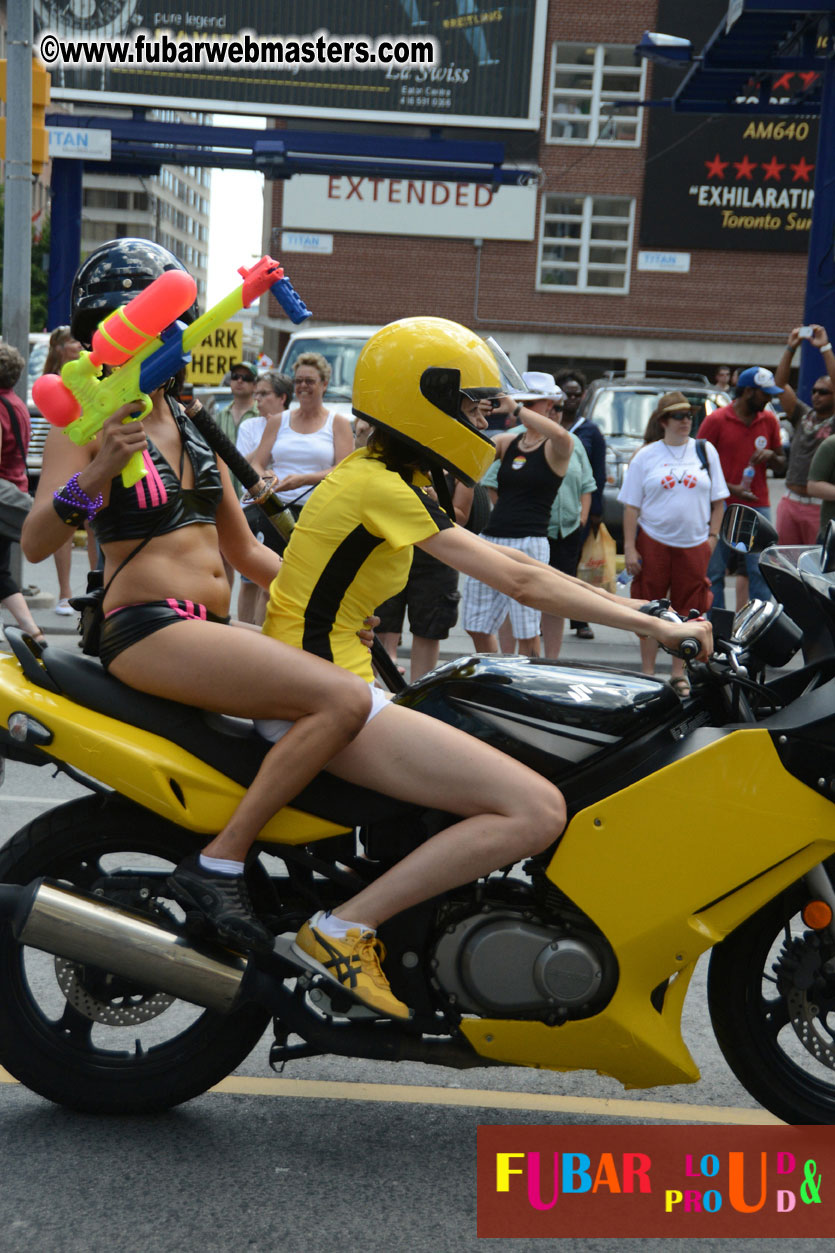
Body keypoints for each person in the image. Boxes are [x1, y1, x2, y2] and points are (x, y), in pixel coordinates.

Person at [258, 317, 712, 1020]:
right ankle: (342, 929)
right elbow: (519, 583)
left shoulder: (391, 476)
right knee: (533, 808)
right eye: (470, 405)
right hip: (317, 688)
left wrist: (637, 604)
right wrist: (657, 628)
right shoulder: (380, 483)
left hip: (330, 675)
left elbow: (525, 564)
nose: (481, 419)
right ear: (424, 402)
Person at [20, 237, 374, 957]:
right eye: (142, 324)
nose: (161, 339)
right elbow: (34, 541)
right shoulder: (83, 420)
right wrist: (98, 473)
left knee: (351, 717)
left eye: (166, 327)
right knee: (338, 701)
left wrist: (335, 604)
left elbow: (245, 552)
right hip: (146, 629)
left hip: (208, 630)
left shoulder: (189, 420)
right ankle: (222, 862)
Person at [618, 392, 728, 695]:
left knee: (688, 608)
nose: (686, 421)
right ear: (663, 421)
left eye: (689, 416)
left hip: (694, 543)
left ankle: (678, 672)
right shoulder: (646, 455)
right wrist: (630, 547)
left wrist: (712, 538)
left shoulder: (705, 451)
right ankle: (649, 672)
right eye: (679, 416)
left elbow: (719, 502)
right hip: (653, 539)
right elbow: (630, 506)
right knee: (650, 605)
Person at [462, 371, 572, 657]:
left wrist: (514, 407)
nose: (523, 408)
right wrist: (474, 414)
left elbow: (559, 433)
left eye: (530, 403)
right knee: (477, 624)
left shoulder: (559, 445)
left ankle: (528, 689)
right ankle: (495, 677)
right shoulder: (508, 442)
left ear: (548, 405)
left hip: (530, 542)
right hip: (493, 539)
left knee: (526, 631)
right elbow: (471, 451)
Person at [698, 367, 786, 607]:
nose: (769, 399)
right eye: (765, 394)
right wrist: (730, 489)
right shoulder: (716, 420)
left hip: (758, 506)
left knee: (760, 570)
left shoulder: (769, 419)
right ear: (748, 391)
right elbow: (698, 464)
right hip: (721, 505)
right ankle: (717, 631)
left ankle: (757, 632)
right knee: (714, 572)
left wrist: (770, 454)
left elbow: (781, 461)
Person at [254, 351, 353, 514]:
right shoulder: (278, 421)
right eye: (298, 381)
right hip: (277, 506)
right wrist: (264, 477)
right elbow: (256, 463)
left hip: (317, 509)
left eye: (309, 381)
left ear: (324, 384)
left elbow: (343, 470)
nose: (303, 386)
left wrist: (304, 480)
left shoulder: (338, 423)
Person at [235, 370, 295, 625]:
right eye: (256, 394)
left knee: (271, 580)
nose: (258, 399)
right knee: (249, 580)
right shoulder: (251, 426)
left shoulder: (293, 424)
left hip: (282, 505)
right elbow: (241, 463)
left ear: (282, 397)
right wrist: (268, 439)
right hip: (251, 507)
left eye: (265, 394)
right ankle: (244, 632)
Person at [554, 368, 607, 640]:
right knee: (547, 569)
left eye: (577, 394)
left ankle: (580, 620)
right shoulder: (546, 426)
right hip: (547, 510)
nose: (572, 398)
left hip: (580, 512)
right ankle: (545, 618)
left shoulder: (590, 431)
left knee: (575, 570)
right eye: (566, 394)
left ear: (583, 395)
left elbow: (597, 475)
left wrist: (595, 514)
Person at [0, 344, 45, 644]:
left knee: (0, 573)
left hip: (2, 494)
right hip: (14, 489)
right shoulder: (16, 403)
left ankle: (31, 629)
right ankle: (31, 631)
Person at [773, 325, 835, 544]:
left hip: (819, 508)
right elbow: (779, 385)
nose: (816, 395)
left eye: (824, 392)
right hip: (790, 502)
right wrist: (791, 348)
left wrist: (825, 347)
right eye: (814, 391)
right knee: (785, 566)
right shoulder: (802, 414)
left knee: (815, 572)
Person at [41, 326, 84, 615]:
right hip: (62, 448)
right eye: (73, 342)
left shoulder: (87, 372)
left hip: (88, 445)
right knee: (65, 517)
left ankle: (98, 589)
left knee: (97, 519)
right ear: (59, 348)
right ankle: (65, 592)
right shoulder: (49, 381)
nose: (80, 346)